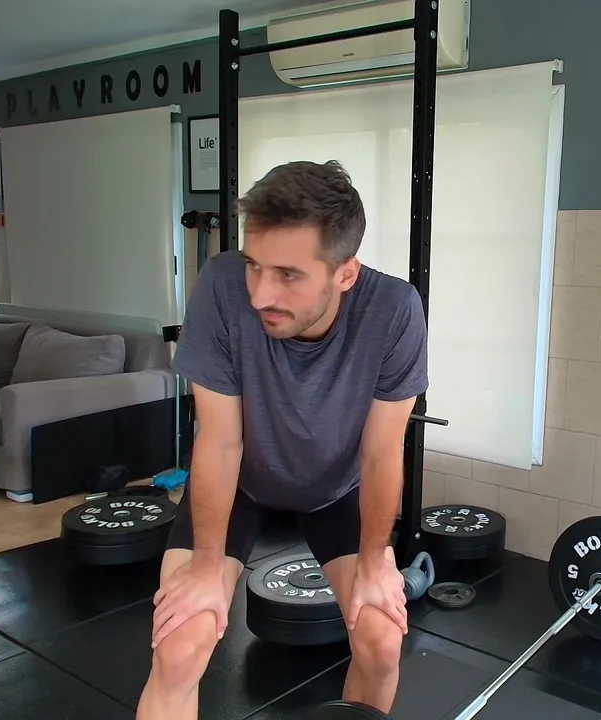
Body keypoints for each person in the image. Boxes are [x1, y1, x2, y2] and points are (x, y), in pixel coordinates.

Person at [137, 160, 428, 719]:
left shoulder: (394, 311)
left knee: (382, 643)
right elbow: (220, 441)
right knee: (178, 648)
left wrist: (375, 559)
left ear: (345, 274)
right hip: (238, 486)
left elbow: (381, 453)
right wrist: (206, 567)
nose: (260, 293)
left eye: (289, 275)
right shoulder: (222, 287)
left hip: (337, 489)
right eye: (254, 265)